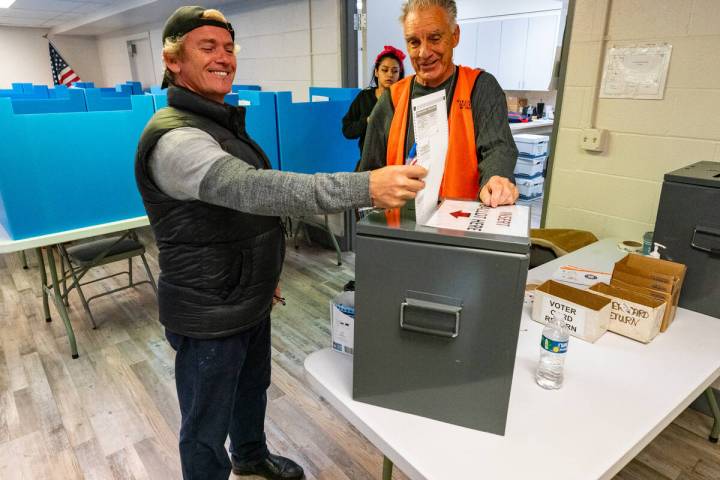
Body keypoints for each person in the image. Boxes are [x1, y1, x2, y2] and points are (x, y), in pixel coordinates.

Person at [134, 6, 426, 480]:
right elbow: (253, 190)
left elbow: (242, 219)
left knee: (251, 389)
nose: (223, 58)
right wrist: (364, 187)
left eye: (229, 48)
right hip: (207, 311)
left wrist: (265, 277)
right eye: (207, 48)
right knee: (204, 425)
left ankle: (250, 456)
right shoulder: (175, 140)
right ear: (173, 61)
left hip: (244, 295)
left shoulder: (222, 124)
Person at [359, 0, 519, 208]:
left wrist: (496, 178)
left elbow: (498, 147)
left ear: (455, 36)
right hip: (401, 229)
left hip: (461, 228)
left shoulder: (480, 88)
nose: (424, 53)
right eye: (414, 42)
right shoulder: (392, 99)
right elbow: (369, 174)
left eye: (435, 38)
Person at [342, 45, 406, 159]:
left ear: (399, 75)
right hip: (368, 163)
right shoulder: (364, 97)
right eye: (384, 70)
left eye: (395, 71)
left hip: (396, 162)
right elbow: (347, 130)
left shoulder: (404, 99)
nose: (390, 75)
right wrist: (367, 121)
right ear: (376, 72)